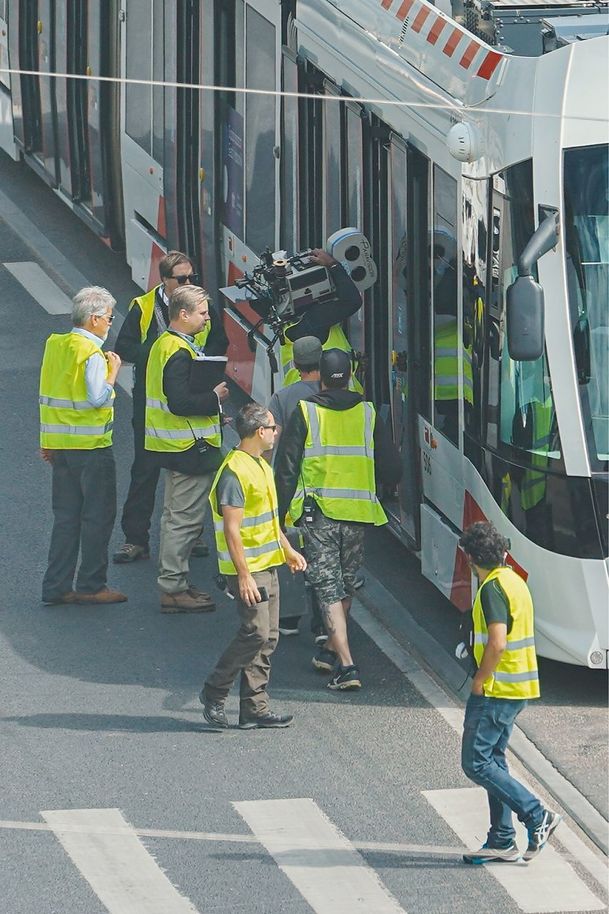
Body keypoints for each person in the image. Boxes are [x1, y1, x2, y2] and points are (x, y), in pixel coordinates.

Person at [274, 349, 401, 690]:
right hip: (358, 513)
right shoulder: (369, 413)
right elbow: (393, 468)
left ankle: (347, 665)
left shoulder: (306, 411)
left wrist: (277, 514)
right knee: (345, 584)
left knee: (327, 588)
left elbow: (286, 468)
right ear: (350, 374)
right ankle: (331, 648)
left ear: (319, 375)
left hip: (320, 515)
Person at [113, 251, 228, 564]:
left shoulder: (202, 306)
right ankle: (135, 539)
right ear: (163, 280)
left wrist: (204, 365)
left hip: (194, 396)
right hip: (151, 406)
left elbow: (219, 342)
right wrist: (165, 354)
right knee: (145, 472)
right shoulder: (144, 307)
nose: (188, 283)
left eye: (192, 277)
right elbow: (124, 348)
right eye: (181, 279)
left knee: (192, 473)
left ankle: (191, 536)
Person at [459, 521, 561, 865]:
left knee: (475, 762)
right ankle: (502, 839)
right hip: (517, 687)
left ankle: (536, 815)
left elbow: (498, 642)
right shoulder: (513, 581)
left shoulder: (491, 588)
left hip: (495, 688)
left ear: (472, 557)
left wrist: (479, 681)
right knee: (494, 760)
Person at [200, 403, 307, 729]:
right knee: (255, 633)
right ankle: (214, 692)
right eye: (272, 427)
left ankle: (254, 709)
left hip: (268, 564)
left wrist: (286, 549)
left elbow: (270, 518)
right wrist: (243, 576)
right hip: (248, 570)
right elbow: (232, 529)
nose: (276, 432)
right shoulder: (234, 472)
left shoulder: (258, 465)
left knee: (268, 637)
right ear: (260, 432)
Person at [40, 287, 127, 606]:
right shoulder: (92, 353)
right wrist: (113, 373)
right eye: (108, 318)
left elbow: (50, 397)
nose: (109, 324)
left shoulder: (57, 346)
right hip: (91, 449)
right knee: (97, 517)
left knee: (66, 518)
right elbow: (96, 398)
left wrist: (48, 442)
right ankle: (91, 584)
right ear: (93, 319)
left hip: (61, 448)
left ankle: (57, 586)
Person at [145, 285, 229, 612]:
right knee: (184, 522)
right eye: (203, 313)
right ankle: (173, 588)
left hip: (174, 444)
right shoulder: (179, 351)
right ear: (184, 314)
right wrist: (215, 399)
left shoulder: (165, 345)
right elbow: (179, 403)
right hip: (190, 447)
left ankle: (176, 582)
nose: (207, 318)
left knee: (174, 517)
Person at [280, 249, 363, 392]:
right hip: (335, 400)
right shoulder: (315, 319)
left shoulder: (290, 322)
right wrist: (333, 266)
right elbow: (352, 301)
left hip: (302, 396)